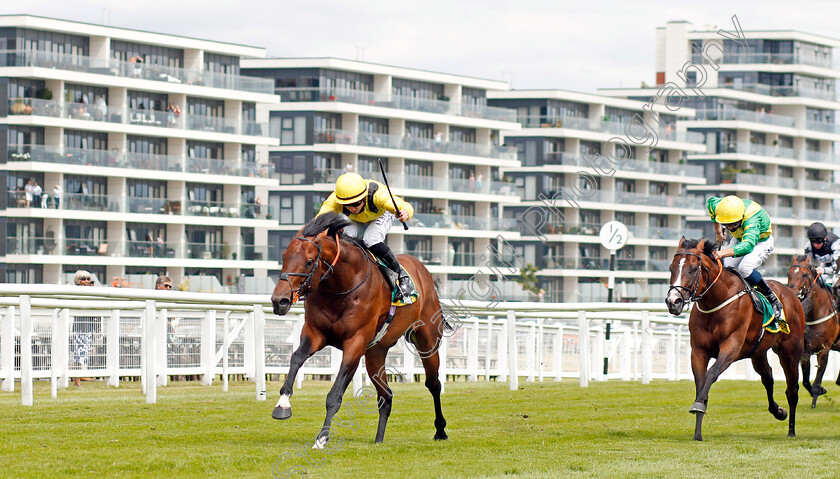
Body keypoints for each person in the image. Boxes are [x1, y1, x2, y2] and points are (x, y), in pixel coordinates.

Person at [317, 172, 417, 303]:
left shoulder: (378, 195)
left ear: (364, 197)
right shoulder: (335, 199)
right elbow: (321, 218)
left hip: (381, 215)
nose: (352, 208)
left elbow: (404, 205)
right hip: (358, 220)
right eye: (348, 205)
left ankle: (402, 276)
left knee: (371, 239)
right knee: (344, 240)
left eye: (356, 203)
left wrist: (405, 213)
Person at [707, 195, 782, 330]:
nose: (729, 228)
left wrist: (721, 253)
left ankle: (772, 298)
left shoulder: (752, 219)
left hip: (760, 242)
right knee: (727, 268)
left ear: (741, 218)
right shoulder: (720, 206)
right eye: (727, 225)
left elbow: (747, 246)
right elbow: (710, 205)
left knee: (744, 268)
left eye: (733, 225)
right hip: (740, 238)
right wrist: (718, 231)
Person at [71, 270, 99, 387]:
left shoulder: (90, 292)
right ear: (78, 281)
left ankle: (80, 376)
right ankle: (77, 379)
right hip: (80, 325)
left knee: (85, 351)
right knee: (79, 352)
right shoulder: (76, 292)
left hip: (88, 326)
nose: (87, 281)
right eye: (84, 279)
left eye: (89, 279)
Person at [804, 222, 840, 293]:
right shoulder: (809, 246)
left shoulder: (835, 244)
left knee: (836, 284)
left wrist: (824, 270)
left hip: (838, 265)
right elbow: (808, 265)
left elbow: (836, 268)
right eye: (813, 242)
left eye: (819, 242)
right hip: (825, 264)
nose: (816, 245)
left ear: (825, 238)